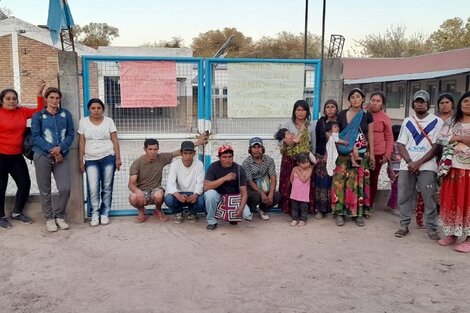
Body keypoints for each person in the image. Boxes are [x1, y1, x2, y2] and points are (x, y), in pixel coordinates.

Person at [394, 90, 443, 240]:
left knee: (429, 198)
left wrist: (419, 163)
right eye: (417, 101)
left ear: (428, 104)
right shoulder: (408, 121)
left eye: (423, 101)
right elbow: (401, 144)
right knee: (404, 196)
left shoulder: (437, 122)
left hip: (427, 166)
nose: (420, 104)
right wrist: (410, 162)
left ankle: (431, 228)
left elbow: (437, 146)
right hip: (406, 166)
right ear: (413, 103)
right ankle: (404, 225)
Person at [128, 136, 206, 224]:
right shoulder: (137, 163)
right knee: (133, 197)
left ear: (158, 149)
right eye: (150, 149)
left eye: (155, 149)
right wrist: (138, 191)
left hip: (156, 189)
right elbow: (131, 184)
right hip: (141, 191)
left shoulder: (161, 158)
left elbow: (175, 153)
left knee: (160, 194)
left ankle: (158, 210)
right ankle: (141, 211)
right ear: (145, 149)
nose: (153, 152)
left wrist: (197, 143)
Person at [0, 82, 45, 229]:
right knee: (1, 187)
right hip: (1, 156)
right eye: (8, 98)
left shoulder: (22, 111)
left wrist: (39, 93)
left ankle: (17, 213)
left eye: (14, 98)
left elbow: (39, 111)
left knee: (25, 184)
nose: (12, 101)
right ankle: (1, 216)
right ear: (2, 101)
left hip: (16, 156)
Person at [32, 87, 74, 232]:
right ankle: (49, 218)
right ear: (46, 99)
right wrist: (53, 150)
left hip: (62, 156)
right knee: (45, 190)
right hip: (42, 156)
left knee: (65, 188)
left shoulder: (65, 114)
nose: (54, 101)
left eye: (57, 98)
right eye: (51, 98)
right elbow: (35, 136)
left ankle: (60, 216)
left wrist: (60, 148)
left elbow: (70, 133)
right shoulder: (38, 116)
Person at [331, 88, 375, 227]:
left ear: (363, 99)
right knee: (340, 184)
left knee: (357, 185)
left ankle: (357, 214)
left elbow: (371, 136)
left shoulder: (367, 115)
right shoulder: (342, 114)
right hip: (343, 154)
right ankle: (339, 213)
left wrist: (372, 154)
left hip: (361, 155)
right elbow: (336, 134)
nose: (355, 99)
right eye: (352, 97)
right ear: (349, 100)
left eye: (358, 97)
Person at [78, 98, 122, 226]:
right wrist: (81, 160)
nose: (96, 111)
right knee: (93, 188)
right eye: (93, 108)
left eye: (99, 108)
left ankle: (104, 213)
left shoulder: (109, 121)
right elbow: (81, 142)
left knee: (107, 187)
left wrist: (118, 158)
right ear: (89, 109)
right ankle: (95, 213)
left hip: (108, 157)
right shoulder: (83, 122)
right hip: (91, 159)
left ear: (102, 109)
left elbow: (115, 140)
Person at [415, 92, 456, 226]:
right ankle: (420, 218)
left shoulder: (458, 120)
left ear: (453, 104)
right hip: (432, 157)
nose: (444, 105)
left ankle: (447, 217)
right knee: (426, 188)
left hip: (452, 158)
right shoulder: (433, 119)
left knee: (448, 188)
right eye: (441, 103)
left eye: (447, 102)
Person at [437, 91, 470, 252]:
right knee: (452, 200)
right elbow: (440, 138)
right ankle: (452, 234)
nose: (468, 103)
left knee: (468, 203)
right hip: (452, 168)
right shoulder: (451, 121)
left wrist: (454, 138)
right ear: (460, 104)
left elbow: (448, 138)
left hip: (469, 171)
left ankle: (469, 239)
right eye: (465, 101)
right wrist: (462, 139)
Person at [277, 100, 316, 215]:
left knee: (303, 184)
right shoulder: (287, 124)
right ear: (294, 111)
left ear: (307, 112)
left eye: (303, 110)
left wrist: (310, 161)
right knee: (289, 183)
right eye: (298, 109)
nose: (301, 112)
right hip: (289, 160)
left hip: (304, 161)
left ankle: (304, 210)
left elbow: (313, 144)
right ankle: (289, 209)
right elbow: (279, 140)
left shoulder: (310, 126)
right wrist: (286, 141)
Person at [204, 144, 252, 231]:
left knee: (246, 215)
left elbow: (244, 192)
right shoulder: (213, 167)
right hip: (219, 197)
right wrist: (225, 178)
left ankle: (232, 217)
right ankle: (211, 221)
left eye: (230, 157)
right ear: (219, 157)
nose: (228, 159)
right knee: (210, 195)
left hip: (234, 198)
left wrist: (240, 208)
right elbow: (206, 187)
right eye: (224, 157)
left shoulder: (239, 169)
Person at [164, 141, 205, 224]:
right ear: (181, 154)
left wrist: (196, 194)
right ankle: (179, 212)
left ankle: (192, 213)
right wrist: (178, 195)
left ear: (194, 153)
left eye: (190, 153)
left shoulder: (199, 164)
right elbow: (170, 183)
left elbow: (200, 183)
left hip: (193, 193)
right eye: (185, 153)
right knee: (168, 199)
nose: (188, 156)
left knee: (202, 200)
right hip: (179, 194)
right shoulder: (175, 165)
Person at [242, 137, 281, 220]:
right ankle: (251, 210)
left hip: (265, 186)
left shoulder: (269, 160)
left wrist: (270, 193)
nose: (256, 150)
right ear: (250, 149)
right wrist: (261, 193)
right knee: (256, 196)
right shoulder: (246, 163)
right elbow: (249, 181)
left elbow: (273, 177)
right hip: (252, 188)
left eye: (259, 147)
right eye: (254, 147)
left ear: (262, 148)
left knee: (277, 196)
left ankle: (262, 209)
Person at [313, 99, 339, 219]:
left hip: (336, 157)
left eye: (332, 107)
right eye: (327, 107)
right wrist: (319, 155)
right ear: (324, 110)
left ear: (336, 109)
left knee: (334, 183)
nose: (330, 109)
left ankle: (332, 209)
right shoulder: (320, 122)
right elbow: (317, 139)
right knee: (321, 183)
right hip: (322, 157)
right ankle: (320, 209)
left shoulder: (340, 122)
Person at [368, 91, 394, 209]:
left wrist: (387, 154)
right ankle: (359, 204)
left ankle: (369, 204)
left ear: (382, 104)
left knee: (373, 179)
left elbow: (389, 137)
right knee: (361, 179)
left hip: (378, 152)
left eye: (378, 101)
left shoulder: (385, 118)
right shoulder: (363, 113)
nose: (375, 103)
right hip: (362, 151)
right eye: (373, 100)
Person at [289, 152, 313, 227]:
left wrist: (298, 172)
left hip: (303, 193)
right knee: (294, 207)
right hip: (295, 192)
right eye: (303, 163)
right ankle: (294, 219)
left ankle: (303, 219)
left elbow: (304, 179)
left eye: (307, 162)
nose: (306, 164)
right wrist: (295, 187)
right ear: (298, 163)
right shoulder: (294, 168)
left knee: (303, 207)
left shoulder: (309, 170)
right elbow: (291, 178)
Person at [385, 125, 402, 216]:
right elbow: (389, 159)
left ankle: (390, 204)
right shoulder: (393, 145)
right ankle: (393, 207)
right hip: (395, 169)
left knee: (396, 188)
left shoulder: (399, 144)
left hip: (399, 168)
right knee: (396, 188)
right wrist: (391, 170)